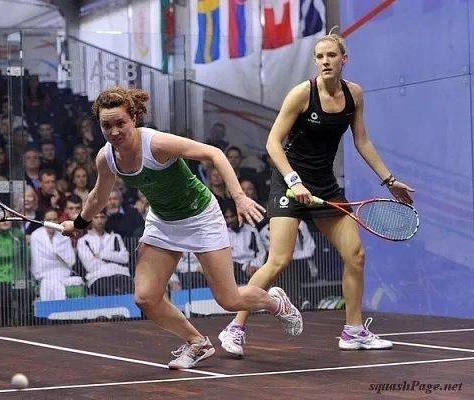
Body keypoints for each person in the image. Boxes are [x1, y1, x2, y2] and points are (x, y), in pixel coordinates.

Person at [61, 86, 303, 370]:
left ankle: (276, 302)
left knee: (230, 299)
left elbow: (214, 154)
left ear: (134, 119)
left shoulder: (157, 144)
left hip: (201, 218)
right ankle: (197, 342)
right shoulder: (107, 158)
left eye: (120, 123)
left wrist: (238, 196)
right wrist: (79, 223)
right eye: (106, 125)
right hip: (163, 222)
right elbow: (99, 196)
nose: (114, 131)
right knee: (146, 297)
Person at [218, 31, 416, 358]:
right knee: (279, 260)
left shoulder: (354, 95)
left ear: (343, 59)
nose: (325, 61)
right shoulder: (302, 94)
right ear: (315, 61)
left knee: (356, 255)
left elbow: (362, 141)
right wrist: (294, 181)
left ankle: (353, 331)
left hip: (324, 186)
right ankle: (236, 327)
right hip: (288, 182)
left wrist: (389, 180)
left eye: (331, 56)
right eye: (320, 57)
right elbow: (272, 143)